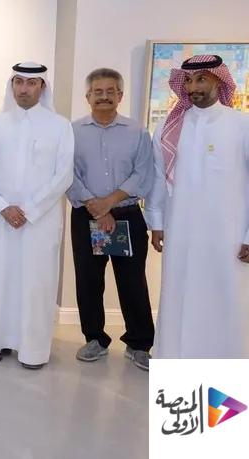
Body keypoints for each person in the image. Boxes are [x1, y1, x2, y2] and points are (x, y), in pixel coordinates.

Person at [145, 54, 249, 359]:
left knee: (225, 300)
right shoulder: (169, 127)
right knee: (179, 296)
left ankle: (223, 377)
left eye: (201, 79)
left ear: (219, 81)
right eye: (188, 80)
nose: (193, 87)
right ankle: (177, 368)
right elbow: (158, 178)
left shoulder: (241, 126)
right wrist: (156, 222)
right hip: (181, 233)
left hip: (228, 235)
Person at [0, 62, 74, 370]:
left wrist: (30, 209)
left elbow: (64, 175)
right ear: (12, 85)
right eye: (19, 82)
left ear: (42, 87)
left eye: (31, 83)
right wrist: (2, 205)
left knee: (36, 282)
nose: (24, 88)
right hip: (1, 218)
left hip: (40, 221)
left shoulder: (60, 126)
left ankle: (32, 350)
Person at [66, 68, 154, 370]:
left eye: (110, 91)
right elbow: (67, 174)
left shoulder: (137, 131)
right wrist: (98, 208)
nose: (103, 97)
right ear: (87, 96)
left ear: (120, 95)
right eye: (97, 91)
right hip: (86, 214)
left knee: (132, 281)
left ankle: (139, 344)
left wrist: (109, 204)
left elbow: (143, 173)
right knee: (89, 280)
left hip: (126, 214)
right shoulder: (72, 132)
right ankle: (95, 338)